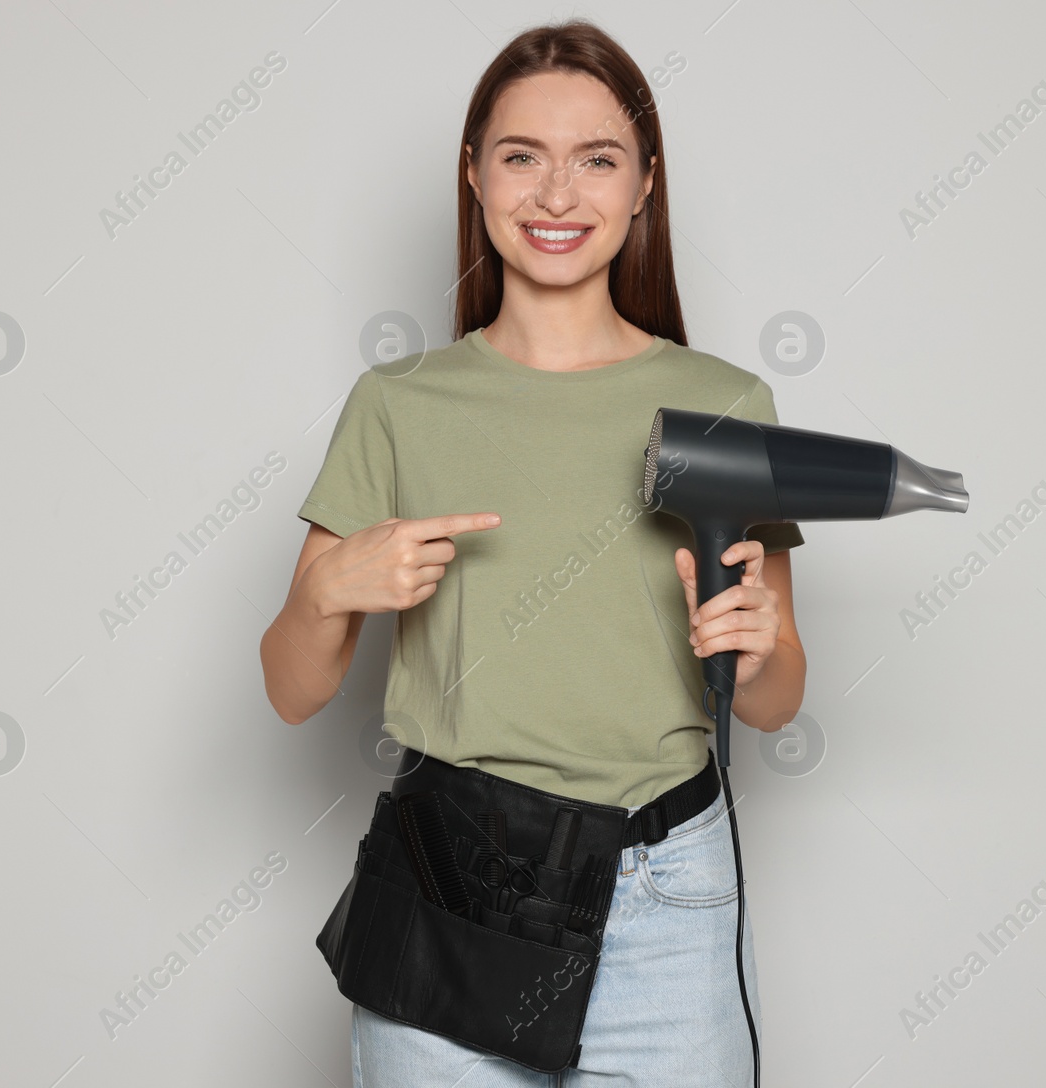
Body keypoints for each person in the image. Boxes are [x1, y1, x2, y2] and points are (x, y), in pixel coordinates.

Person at [259, 18, 807, 1087]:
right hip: (450, 883)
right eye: (522, 157)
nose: (557, 194)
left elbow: (776, 700)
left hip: (669, 893)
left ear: (644, 184)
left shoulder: (728, 405)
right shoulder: (398, 405)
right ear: (473, 175)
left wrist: (765, 641)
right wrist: (329, 590)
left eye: (596, 159)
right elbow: (289, 690)